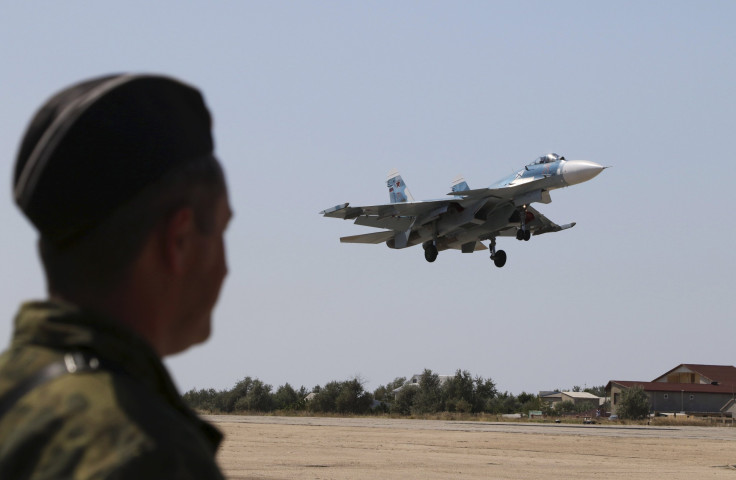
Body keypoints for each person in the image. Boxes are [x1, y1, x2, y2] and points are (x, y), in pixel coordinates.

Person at [0, 74, 231, 479]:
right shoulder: (146, 453)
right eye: (221, 231)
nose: (227, 268)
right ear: (178, 241)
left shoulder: (17, 398)